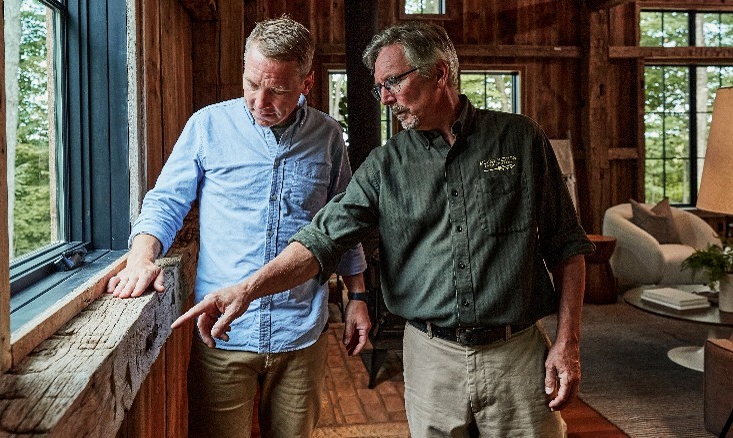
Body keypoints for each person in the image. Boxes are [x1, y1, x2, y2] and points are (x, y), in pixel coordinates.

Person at [172, 21, 595, 437]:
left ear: (439, 73)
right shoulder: (383, 166)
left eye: (392, 81)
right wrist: (246, 290)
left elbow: (567, 246)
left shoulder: (519, 140)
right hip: (432, 357)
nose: (385, 98)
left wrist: (567, 342)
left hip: (517, 354)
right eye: (380, 88)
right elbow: (322, 239)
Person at [107, 16, 371, 438]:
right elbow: (166, 200)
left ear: (307, 82)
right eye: (251, 84)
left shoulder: (327, 135)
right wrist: (141, 256)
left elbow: (344, 225)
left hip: (301, 334)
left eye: (278, 90)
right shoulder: (207, 126)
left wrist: (357, 296)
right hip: (221, 335)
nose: (259, 101)